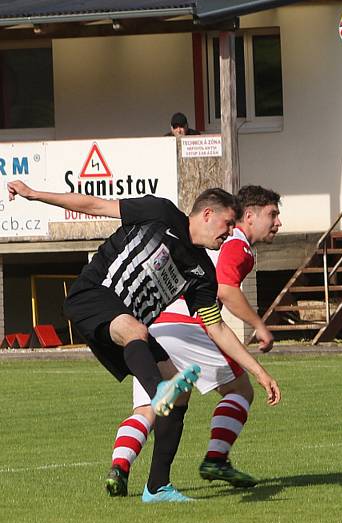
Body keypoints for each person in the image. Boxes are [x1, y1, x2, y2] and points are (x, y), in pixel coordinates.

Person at [6, 181, 281, 502]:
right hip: (93, 295)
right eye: (228, 223)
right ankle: (160, 392)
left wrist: (258, 372)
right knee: (141, 342)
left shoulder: (202, 271)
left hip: (132, 330)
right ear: (207, 214)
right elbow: (95, 205)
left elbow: (216, 327)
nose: (230, 231)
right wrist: (36, 194)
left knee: (179, 398)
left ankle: (157, 486)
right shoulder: (160, 212)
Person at [106, 186, 282, 498]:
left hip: (149, 326)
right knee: (240, 389)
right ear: (249, 216)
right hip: (188, 325)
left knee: (150, 406)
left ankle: (119, 466)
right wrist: (259, 326)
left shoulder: (204, 239)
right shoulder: (237, 246)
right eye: (273, 214)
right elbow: (225, 290)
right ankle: (216, 458)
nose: (278, 222)